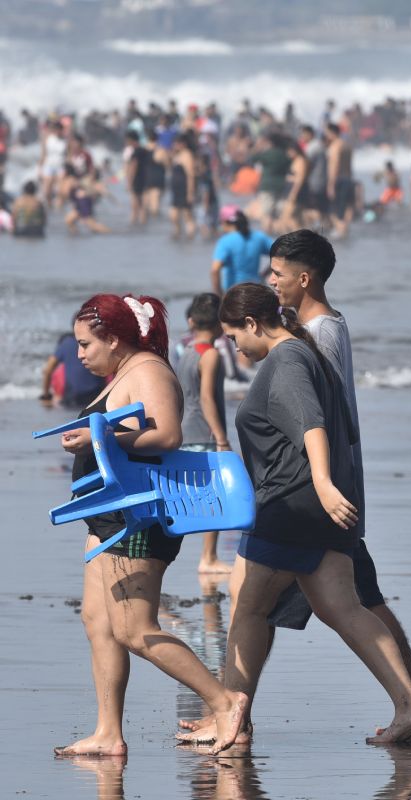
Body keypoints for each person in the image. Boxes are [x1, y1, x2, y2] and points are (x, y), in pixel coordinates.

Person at [179, 278, 411, 746]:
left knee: (249, 607)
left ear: (254, 323)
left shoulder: (288, 359)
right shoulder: (304, 352)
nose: (234, 347)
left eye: (235, 336)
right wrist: (329, 489)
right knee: (340, 606)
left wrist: (321, 484)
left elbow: (311, 424)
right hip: (316, 505)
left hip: (291, 502)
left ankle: (230, 716)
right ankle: (410, 701)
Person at [52, 292, 247, 757]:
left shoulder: (150, 370)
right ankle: (108, 733)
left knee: (135, 628)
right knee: (97, 621)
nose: (79, 354)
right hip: (105, 515)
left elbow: (168, 433)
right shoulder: (124, 373)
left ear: (113, 338)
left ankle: (224, 701)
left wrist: (98, 434)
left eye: (85, 344)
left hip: (136, 517)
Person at [175, 294, 231, 574]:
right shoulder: (210, 355)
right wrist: (222, 439)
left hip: (183, 432)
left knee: (182, 498)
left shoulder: (184, 353)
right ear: (221, 324)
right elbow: (207, 399)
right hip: (204, 434)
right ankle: (208, 557)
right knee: (215, 497)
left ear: (191, 321)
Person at [211, 205, 272, 297]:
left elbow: (215, 270)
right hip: (256, 290)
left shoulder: (225, 241)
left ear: (225, 222)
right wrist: (265, 273)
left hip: (234, 294)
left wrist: (219, 294)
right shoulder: (259, 237)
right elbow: (281, 254)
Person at [40, 326, 105, 408]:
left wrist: (46, 395)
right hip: (98, 397)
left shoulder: (66, 343)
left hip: (73, 398)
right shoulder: (102, 340)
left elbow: (47, 370)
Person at [325, 122, 354, 238]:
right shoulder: (347, 145)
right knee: (346, 207)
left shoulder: (335, 146)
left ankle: (341, 233)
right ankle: (345, 232)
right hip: (348, 178)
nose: (326, 135)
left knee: (336, 210)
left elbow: (334, 165)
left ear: (332, 133)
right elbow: (349, 165)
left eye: (327, 132)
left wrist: (331, 184)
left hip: (339, 179)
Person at [169, 133, 196, 239]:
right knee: (173, 215)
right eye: (174, 143)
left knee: (187, 215)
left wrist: (190, 193)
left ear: (183, 144)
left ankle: (190, 236)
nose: (175, 145)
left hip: (185, 189)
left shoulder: (187, 155)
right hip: (176, 190)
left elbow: (190, 175)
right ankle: (177, 233)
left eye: (177, 143)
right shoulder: (177, 155)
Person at [124, 130, 148, 225]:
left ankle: (134, 224)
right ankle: (142, 224)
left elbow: (133, 167)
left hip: (137, 179)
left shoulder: (135, 152)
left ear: (131, 140)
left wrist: (129, 182)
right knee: (142, 205)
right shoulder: (144, 150)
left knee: (135, 205)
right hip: (145, 178)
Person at [144, 129, 169, 217]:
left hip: (146, 177)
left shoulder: (144, 149)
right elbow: (167, 165)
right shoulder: (161, 150)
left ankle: (144, 228)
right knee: (155, 204)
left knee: (145, 204)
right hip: (158, 177)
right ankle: (156, 228)